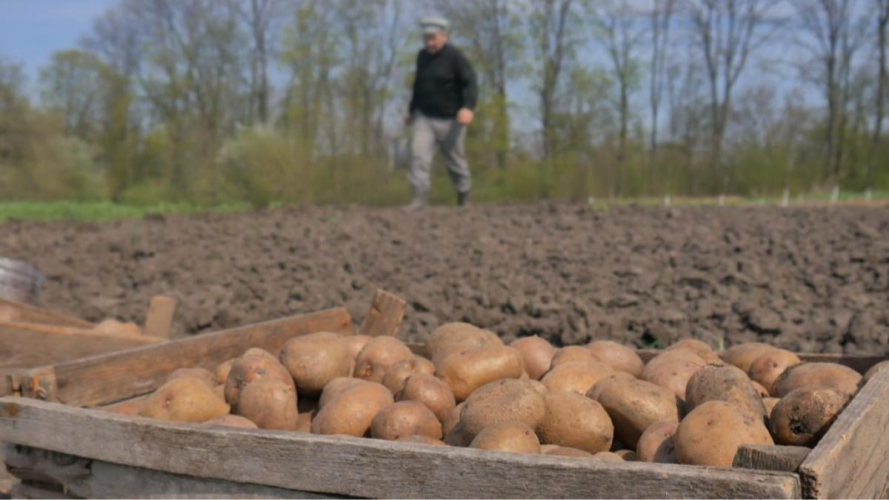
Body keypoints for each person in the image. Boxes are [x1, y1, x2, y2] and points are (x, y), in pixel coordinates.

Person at [403, 16, 479, 211]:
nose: (429, 43)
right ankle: (419, 199)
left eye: (433, 38)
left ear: (444, 36)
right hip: (424, 117)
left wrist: (468, 107)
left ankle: (463, 195)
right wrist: (411, 111)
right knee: (418, 156)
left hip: (451, 118)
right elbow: (418, 85)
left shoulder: (455, 57)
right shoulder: (422, 57)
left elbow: (471, 81)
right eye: (426, 38)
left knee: (455, 160)